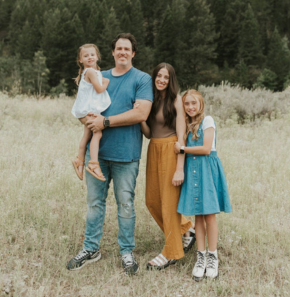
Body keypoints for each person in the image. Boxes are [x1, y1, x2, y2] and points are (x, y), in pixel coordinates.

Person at [67, 33, 153, 275]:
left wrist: (105, 122)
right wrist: (89, 121)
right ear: (113, 53)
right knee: (94, 204)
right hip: (99, 156)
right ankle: (91, 249)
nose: (123, 52)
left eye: (127, 49)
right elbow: (84, 107)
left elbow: (141, 114)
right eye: (119, 48)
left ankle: (126, 251)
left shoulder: (142, 79)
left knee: (125, 204)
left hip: (127, 155)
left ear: (133, 53)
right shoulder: (98, 75)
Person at [139, 63, 195, 270]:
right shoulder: (150, 100)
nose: (161, 80)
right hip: (154, 148)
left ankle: (171, 252)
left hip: (172, 150)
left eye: (166, 77)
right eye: (158, 76)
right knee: (152, 200)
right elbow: (148, 132)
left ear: (171, 80)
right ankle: (187, 230)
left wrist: (180, 168)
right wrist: (139, 117)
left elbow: (182, 137)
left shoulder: (176, 100)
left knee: (169, 204)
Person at [174, 89, 232, 281]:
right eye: (187, 104)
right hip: (193, 169)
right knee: (198, 215)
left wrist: (182, 148)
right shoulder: (187, 124)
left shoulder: (207, 121)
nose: (190, 107)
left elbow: (206, 148)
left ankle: (212, 256)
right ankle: (200, 256)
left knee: (209, 215)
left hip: (207, 169)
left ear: (201, 104)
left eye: (193, 103)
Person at [71, 44, 111, 182]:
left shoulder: (90, 72)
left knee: (87, 134)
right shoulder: (90, 72)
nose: (90, 57)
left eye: (92, 55)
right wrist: (106, 82)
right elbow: (100, 89)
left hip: (83, 110)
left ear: (97, 57)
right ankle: (93, 163)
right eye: (86, 55)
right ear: (80, 60)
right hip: (87, 111)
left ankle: (79, 160)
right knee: (97, 133)